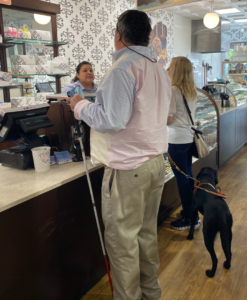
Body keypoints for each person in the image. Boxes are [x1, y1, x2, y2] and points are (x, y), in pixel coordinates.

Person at [67, 10, 171, 300]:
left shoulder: (121, 69)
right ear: (147, 36)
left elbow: (111, 120)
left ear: (118, 35)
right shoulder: (159, 70)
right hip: (154, 164)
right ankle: (152, 294)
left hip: (128, 171)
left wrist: (78, 106)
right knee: (146, 236)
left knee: (123, 245)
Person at [167, 56, 200, 231]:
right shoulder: (191, 90)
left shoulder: (173, 90)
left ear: (176, 69)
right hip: (187, 138)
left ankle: (189, 217)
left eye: (170, 66)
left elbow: (168, 119)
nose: (168, 68)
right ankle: (192, 212)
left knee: (182, 179)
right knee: (187, 176)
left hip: (176, 140)